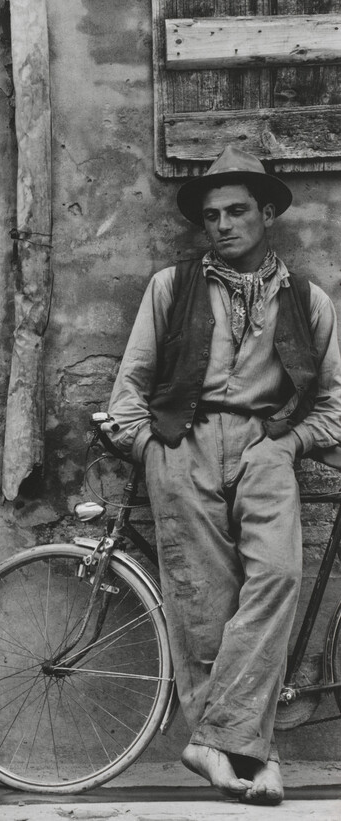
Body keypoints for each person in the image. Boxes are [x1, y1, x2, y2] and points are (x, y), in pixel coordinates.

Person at [107, 145, 341, 805]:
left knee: (276, 576)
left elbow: (335, 403)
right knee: (202, 597)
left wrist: (291, 443)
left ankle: (216, 741)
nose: (221, 224)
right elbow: (128, 391)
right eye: (210, 214)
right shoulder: (169, 287)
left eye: (236, 210)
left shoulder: (306, 299)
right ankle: (253, 755)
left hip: (269, 443)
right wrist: (151, 448)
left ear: (266, 213)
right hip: (183, 441)